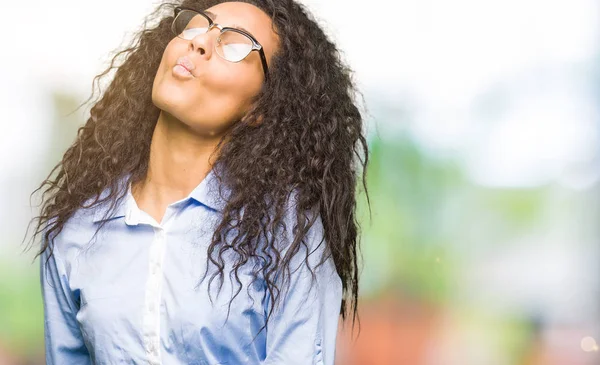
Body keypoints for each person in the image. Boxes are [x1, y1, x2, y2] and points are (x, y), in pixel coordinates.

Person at [29, 0, 369, 364]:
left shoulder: (289, 235)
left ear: (260, 109)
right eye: (196, 25)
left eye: (235, 43)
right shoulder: (74, 234)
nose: (200, 42)